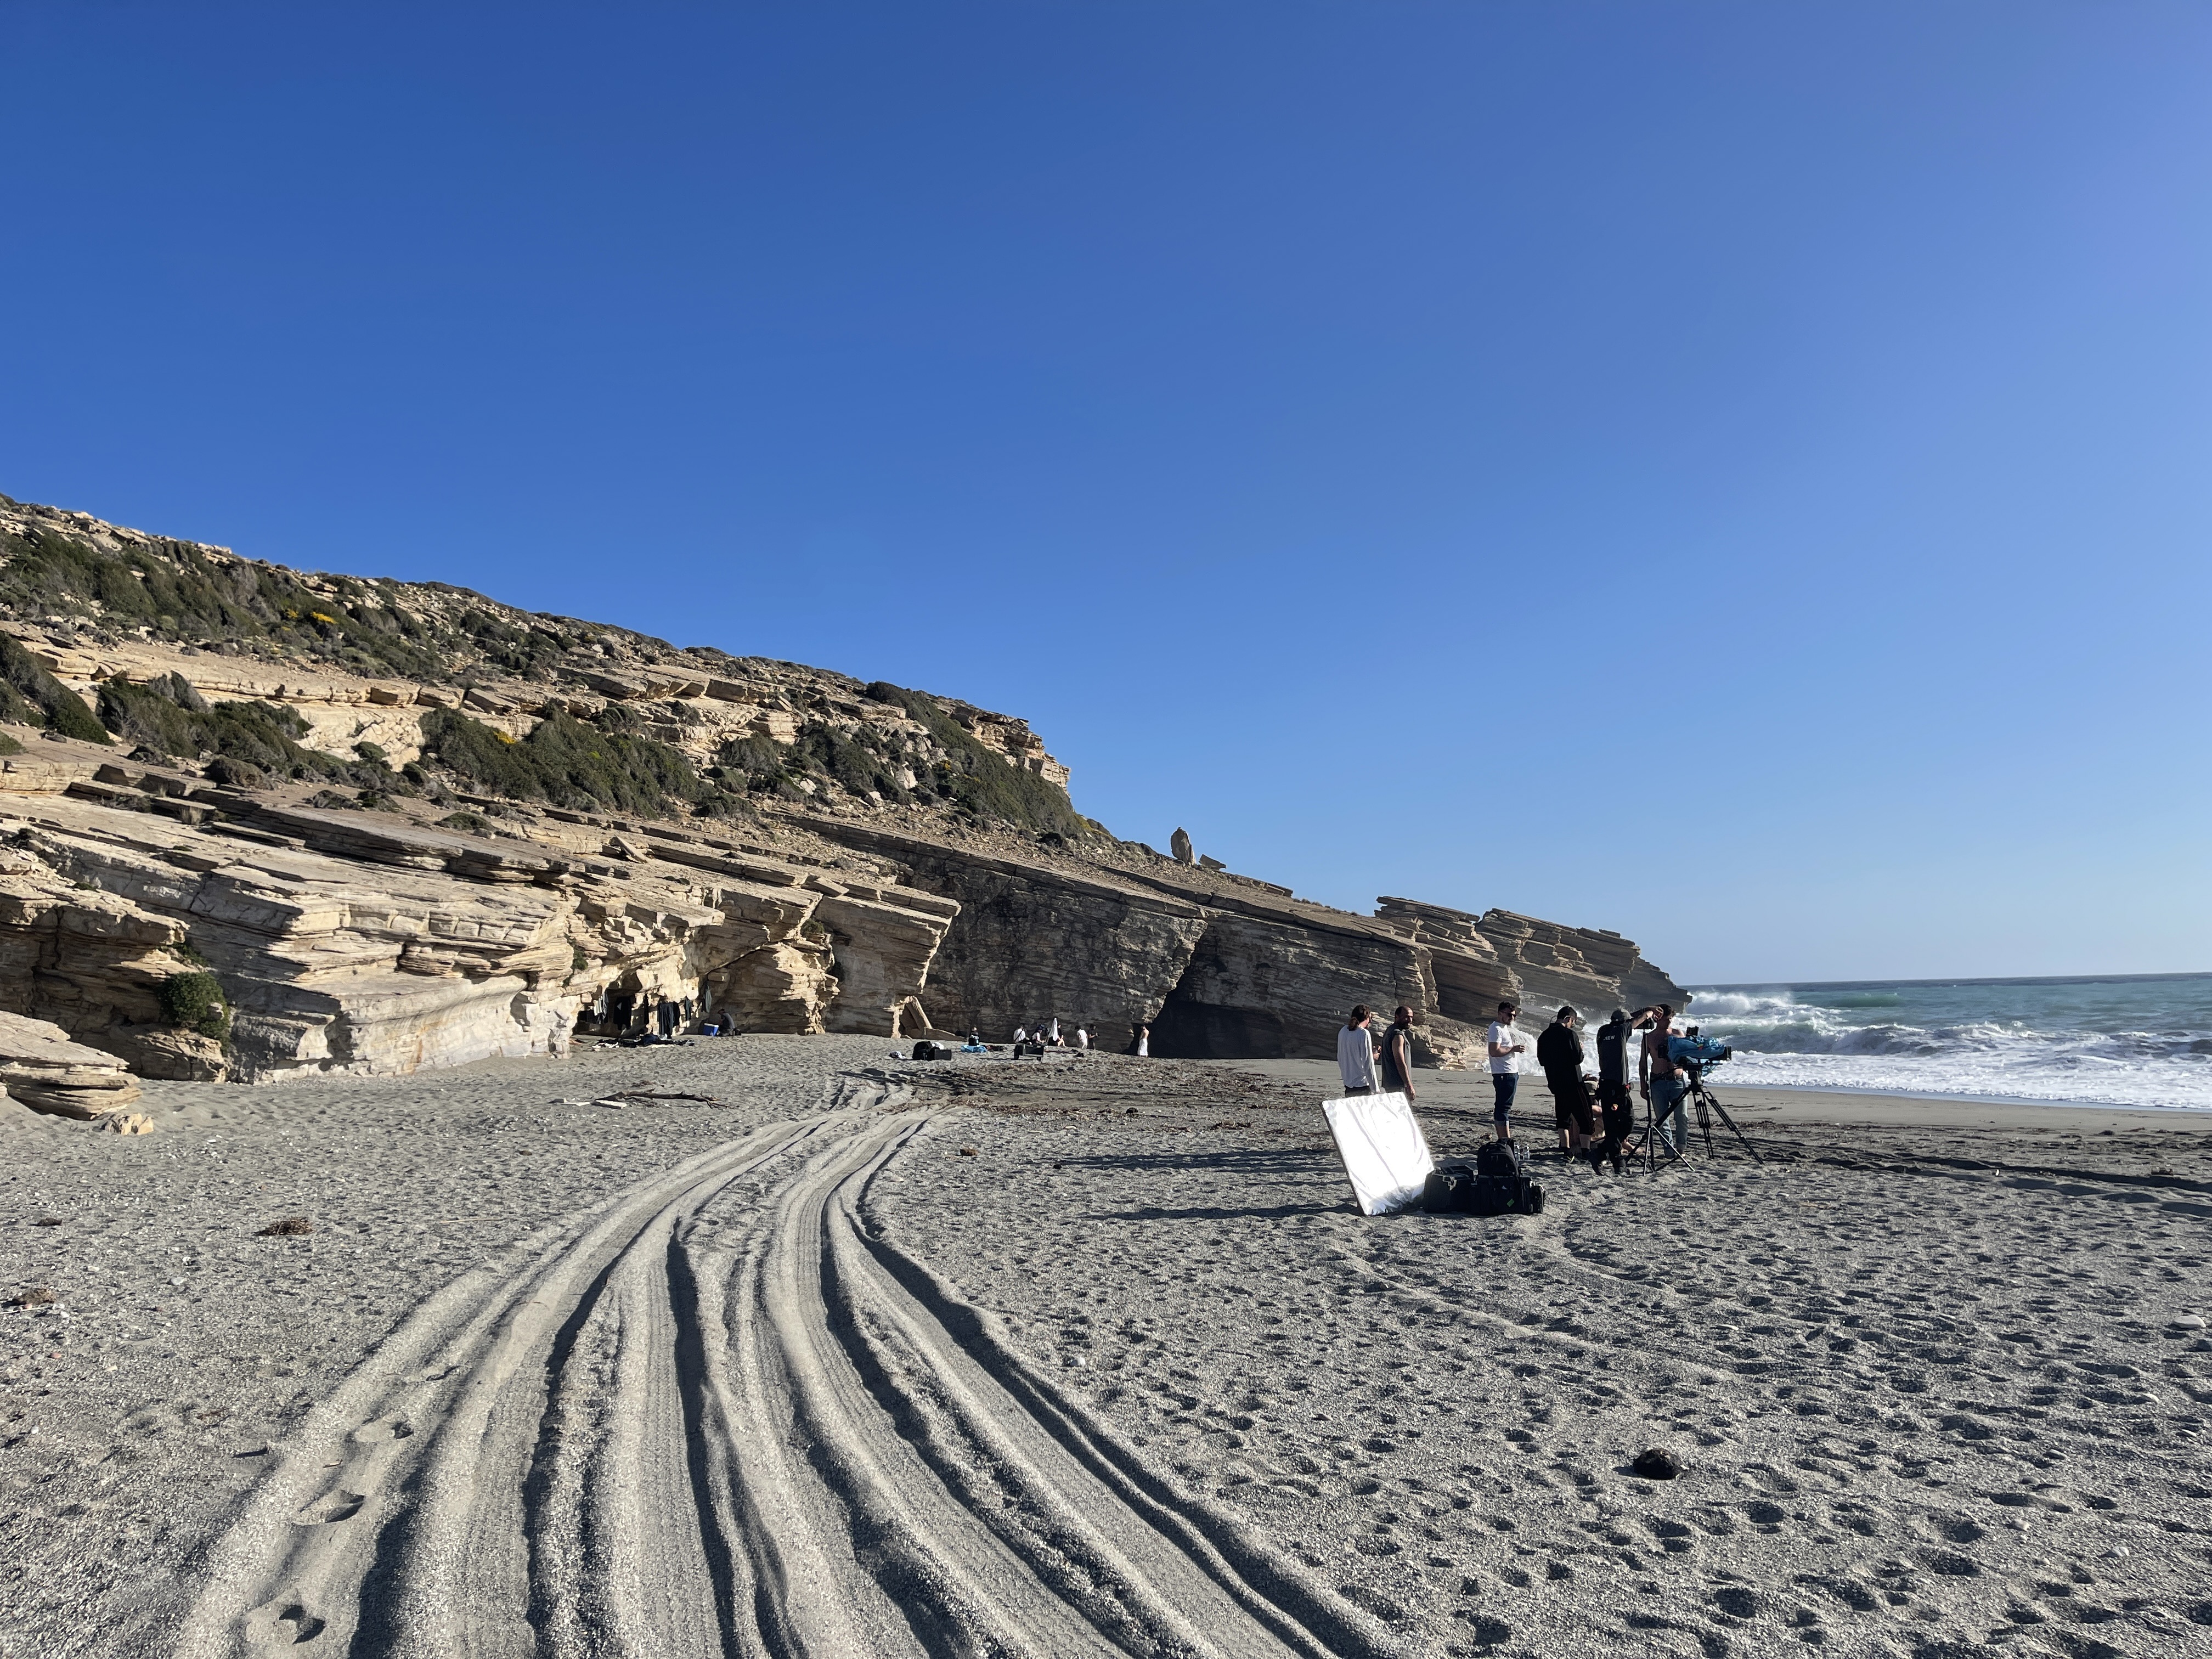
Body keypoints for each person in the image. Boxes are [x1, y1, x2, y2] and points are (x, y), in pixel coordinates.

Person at [1536, 1006, 1596, 1161]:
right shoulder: (1570, 1035)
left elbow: (1542, 1061)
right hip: (1574, 1082)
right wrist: (1580, 1049)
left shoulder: (1544, 1036)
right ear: (1569, 1019)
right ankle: (1586, 1151)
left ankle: (1566, 1151)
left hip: (1556, 1082)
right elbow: (1578, 1058)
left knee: (1563, 1118)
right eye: (1573, 1022)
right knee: (1585, 1118)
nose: (1572, 1025)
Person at [1593, 1007, 1639, 1171]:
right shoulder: (1621, 1030)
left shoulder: (1603, 1031)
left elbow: (1627, 1021)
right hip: (1618, 1089)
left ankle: (1607, 1157)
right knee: (1628, 1123)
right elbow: (1636, 1021)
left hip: (1606, 1086)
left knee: (1613, 1126)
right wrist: (1649, 1011)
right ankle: (1611, 1158)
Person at [1640, 1003, 1688, 1155]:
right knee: (1661, 1120)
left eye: (1671, 1018)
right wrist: (1643, 1086)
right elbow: (1643, 1063)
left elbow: (1688, 1057)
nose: (1669, 1021)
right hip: (1658, 1082)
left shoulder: (1678, 1034)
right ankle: (1669, 1150)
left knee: (1682, 1117)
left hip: (1677, 1081)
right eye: (1666, 1019)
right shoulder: (1649, 1038)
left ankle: (1681, 1148)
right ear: (1657, 1019)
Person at [1487, 999, 1528, 1139]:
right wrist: (1513, 1049)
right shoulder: (1496, 1029)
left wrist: (1513, 1049)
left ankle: (1505, 1139)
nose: (1512, 1018)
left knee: (1505, 1108)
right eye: (1510, 1015)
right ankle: (1504, 1140)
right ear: (1500, 1013)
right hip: (1504, 1074)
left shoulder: (1503, 1028)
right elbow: (1494, 1051)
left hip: (1509, 1073)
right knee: (1503, 1108)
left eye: (1514, 1015)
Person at [1337, 1005, 1380, 1096]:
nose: (1371, 1021)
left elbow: (1341, 1057)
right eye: (1370, 1018)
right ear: (1366, 1018)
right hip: (1362, 1085)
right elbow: (1368, 1063)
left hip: (1348, 1084)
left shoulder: (1343, 1031)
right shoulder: (1364, 1033)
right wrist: (1376, 1089)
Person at [1378, 1005, 1418, 1101]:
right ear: (1397, 1017)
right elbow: (1400, 1062)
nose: (1410, 1020)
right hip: (1398, 1085)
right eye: (1406, 1017)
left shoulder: (1390, 1031)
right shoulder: (1397, 1035)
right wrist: (1409, 1085)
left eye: (1411, 1017)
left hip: (1391, 1084)